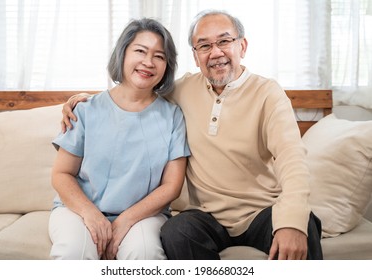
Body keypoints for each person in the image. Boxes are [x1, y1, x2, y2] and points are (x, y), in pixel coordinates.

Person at [61, 10, 323, 260]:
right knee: (177, 232)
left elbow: (292, 159)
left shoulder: (268, 93)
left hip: (261, 212)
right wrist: (85, 101)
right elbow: (137, 90)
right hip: (206, 216)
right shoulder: (183, 90)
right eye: (204, 46)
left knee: (305, 225)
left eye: (224, 41)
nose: (216, 52)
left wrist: (292, 222)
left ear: (242, 47)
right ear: (196, 56)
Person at [49, 18, 190, 260]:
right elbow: (61, 174)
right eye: (140, 51)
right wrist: (91, 215)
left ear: (167, 66)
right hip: (78, 211)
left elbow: (172, 186)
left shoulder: (173, 115)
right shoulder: (84, 110)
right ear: (122, 53)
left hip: (143, 216)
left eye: (159, 56)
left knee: (144, 254)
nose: (148, 62)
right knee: (74, 252)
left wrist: (125, 220)